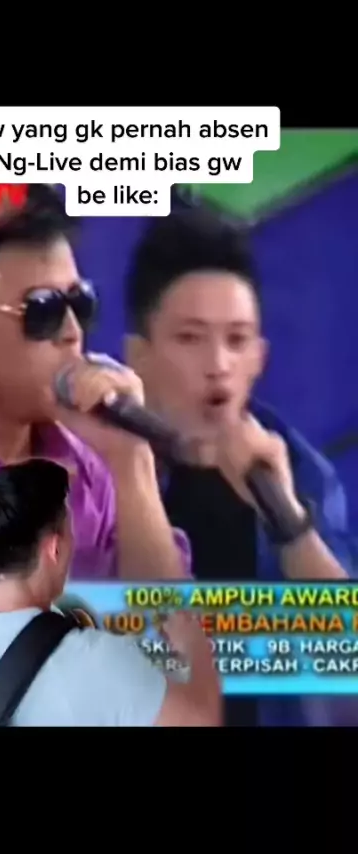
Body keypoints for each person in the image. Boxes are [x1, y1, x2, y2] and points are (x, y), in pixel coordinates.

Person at [0, 154, 188, 583]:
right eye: (43, 310)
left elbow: (167, 619)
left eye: (80, 303)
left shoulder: (94, 464)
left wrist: (133, 462)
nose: (72, 332)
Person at [124, 205, 354, 727]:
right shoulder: (93, 471)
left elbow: (348, 668)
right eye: (190, 338)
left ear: (259, 358)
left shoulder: (300, 472)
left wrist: (291, 526)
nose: (218, 365)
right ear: (139, 355)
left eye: (237, 340)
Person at [0, 458, 221, 727]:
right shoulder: (99, 662)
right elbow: (201, 721)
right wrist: (193, 645)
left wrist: (2, 494)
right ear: (54, 548)